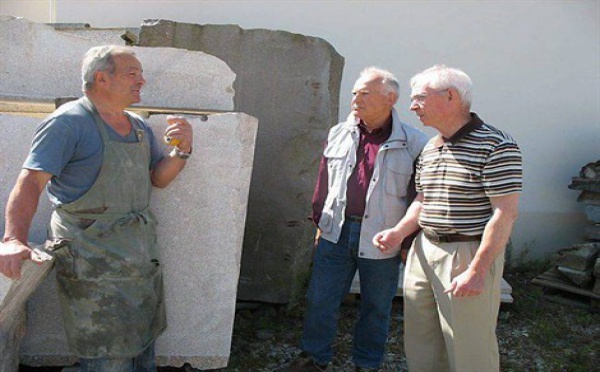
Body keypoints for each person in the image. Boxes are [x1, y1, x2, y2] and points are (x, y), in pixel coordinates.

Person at [0, 45, 193, 371]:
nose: (142, 81)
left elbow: (157, 179)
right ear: (102, 78)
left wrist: (182, 152)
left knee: (142, 346)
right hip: (93, 261)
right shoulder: (68, 124)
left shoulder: (137, 125)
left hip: (140, 260)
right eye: (133, 73)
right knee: (106, 355)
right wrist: (13, 238)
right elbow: (30, 182)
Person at [374, 64, 522, 372]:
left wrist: (478, 270)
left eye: (420, 98)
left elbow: (504, 213)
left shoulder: (496, 145)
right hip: (423, 252)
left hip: (466, 254)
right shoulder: (431, 147)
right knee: (422, 344)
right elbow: (423, 199)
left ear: (451, 96)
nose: (412, 106)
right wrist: (399, 232)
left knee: (470, 348)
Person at [284, 67, 428, 372]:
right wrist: (320, 222)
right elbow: (324, 181)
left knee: (376, 307)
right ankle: (314, 358)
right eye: (354, 92)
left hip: (383, 236)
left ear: (390, 98)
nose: (355, 99)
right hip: (336, 232)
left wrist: (407, 240)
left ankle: (366, 363)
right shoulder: (339, 132)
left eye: (364, 93)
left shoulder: (414, 142)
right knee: (320, 299)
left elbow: (419, 195)